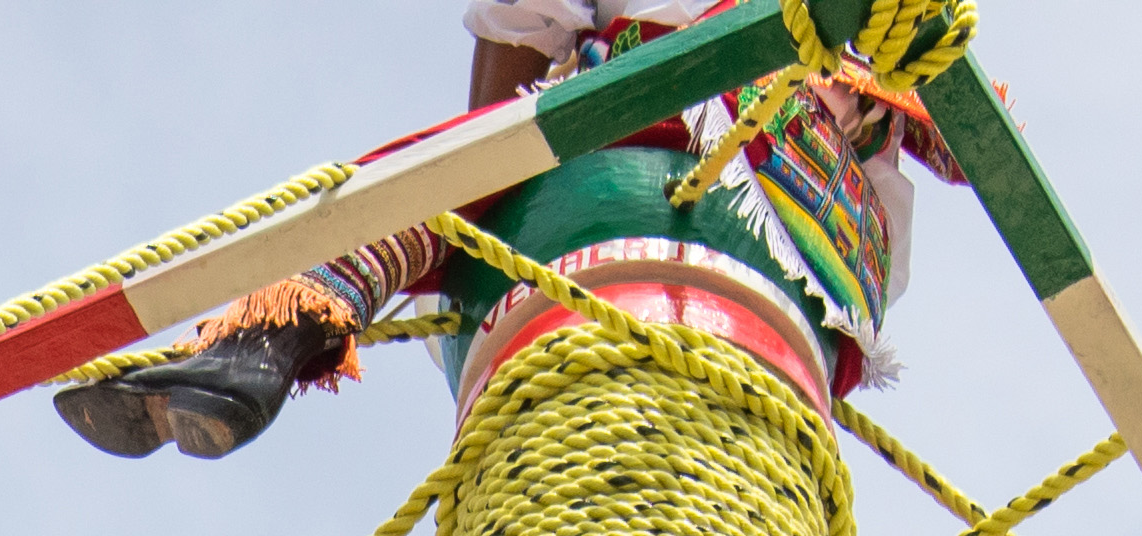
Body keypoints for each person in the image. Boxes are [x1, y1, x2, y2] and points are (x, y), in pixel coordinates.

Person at [51, 1, 940, 463]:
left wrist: (487, 180)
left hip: (710, 138)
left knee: (456, 167)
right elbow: (957, 127)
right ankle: (262, 348)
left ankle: (265, 344)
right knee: (477, 163)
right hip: (833, 271)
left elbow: (515, 46)